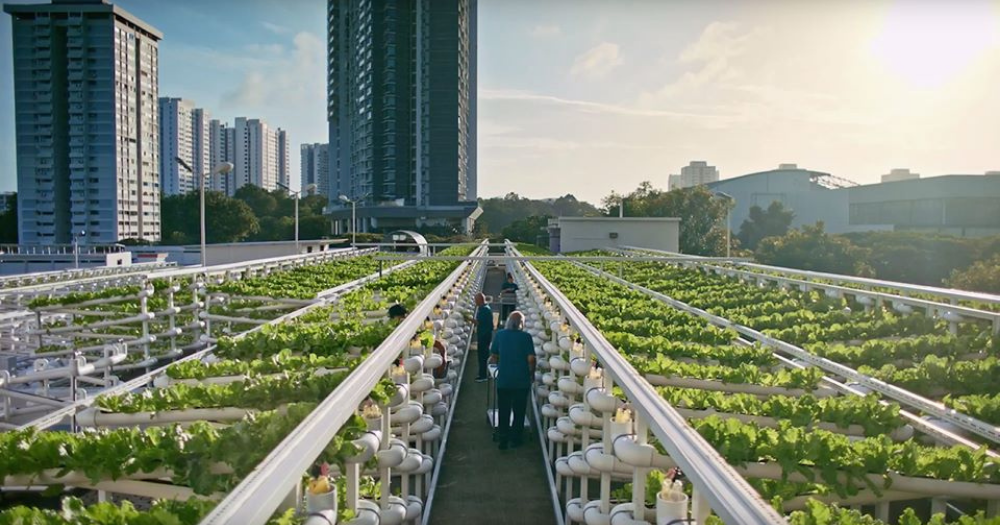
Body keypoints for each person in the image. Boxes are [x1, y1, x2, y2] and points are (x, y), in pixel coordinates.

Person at [489, 311, 536, 450]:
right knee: (519, 410)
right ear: (521, 323)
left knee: (504, 410)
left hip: (504, 379)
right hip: (521, 380)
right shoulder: (526, 337)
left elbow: (494, 354)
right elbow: (531, 359)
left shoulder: (500, 335)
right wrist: (531, 373)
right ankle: (516, 438)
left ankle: (503, 438)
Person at [474, 293, 494, 383]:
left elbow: (478, 322)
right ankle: (483, 374)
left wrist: (468, 319)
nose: (475, 302)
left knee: (482, 356)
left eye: (476, 300)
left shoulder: (484, 310)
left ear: (480, 300)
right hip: (486, 335)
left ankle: (483, 375)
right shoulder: (486, 308)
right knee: (484, 355)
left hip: (483, 336)